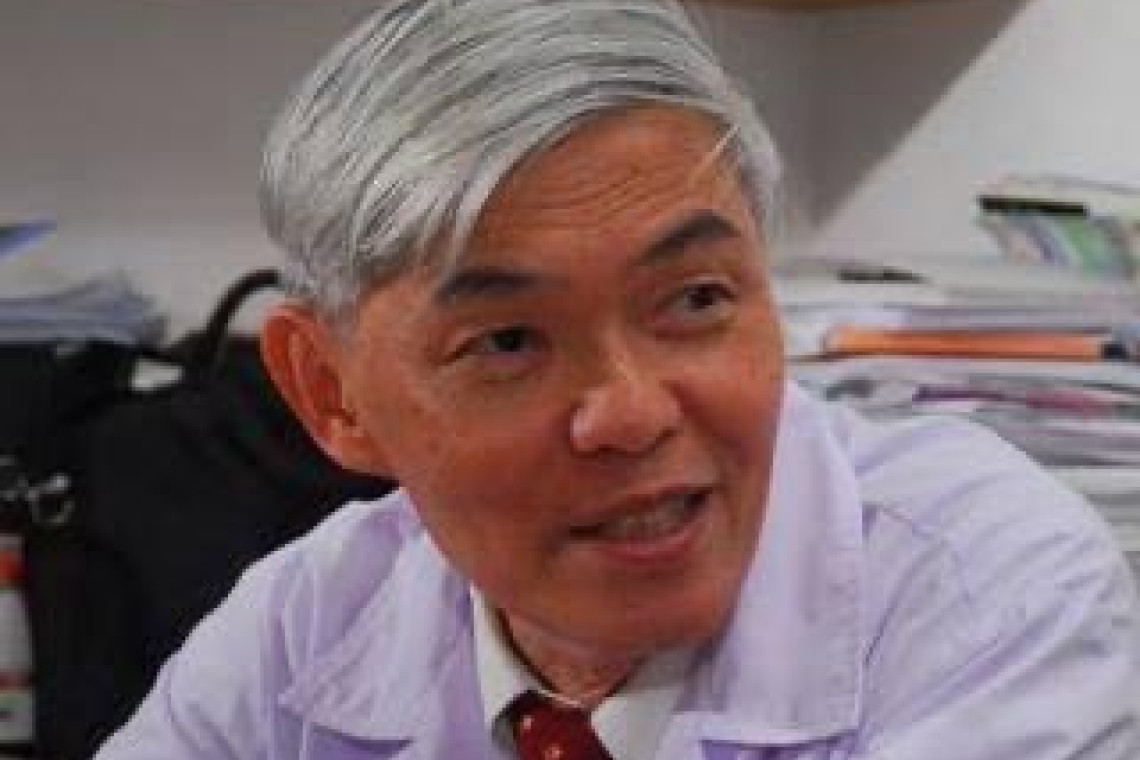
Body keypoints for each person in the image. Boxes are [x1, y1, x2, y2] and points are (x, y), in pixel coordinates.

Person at [95, 1, 1139, 758]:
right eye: (509, 342)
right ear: (331, 394)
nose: (632, 414)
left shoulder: (989, 591)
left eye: (695, 299)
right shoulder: (307, 624)